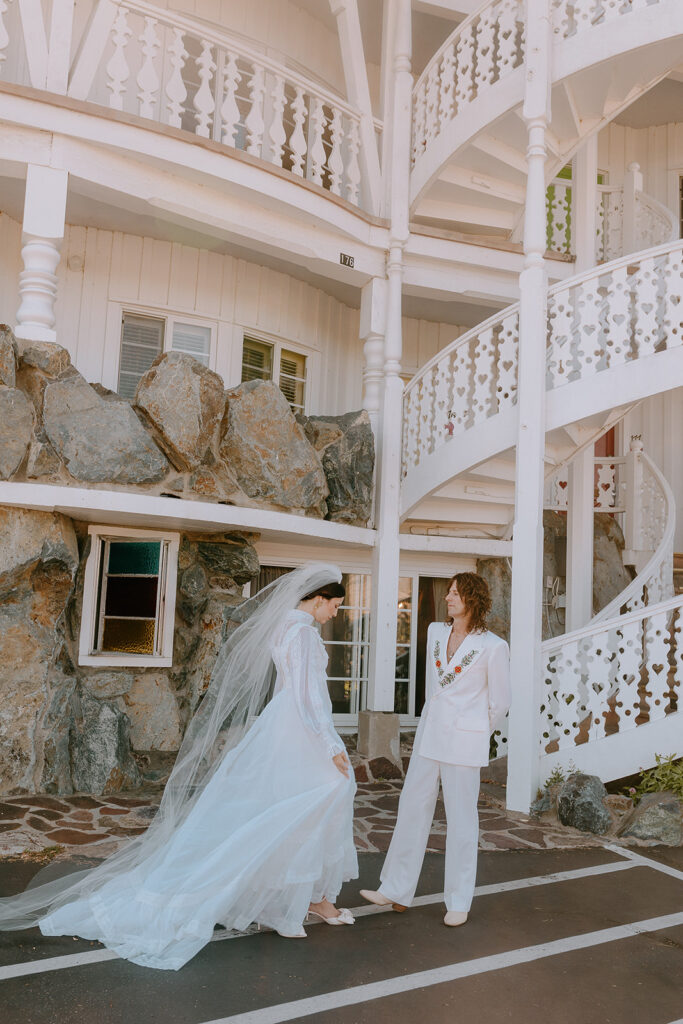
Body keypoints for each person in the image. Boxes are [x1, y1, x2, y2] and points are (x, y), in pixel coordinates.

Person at [0, 563, 358, 968]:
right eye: (335, 607)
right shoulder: (305, 634)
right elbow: (309, 697)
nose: (335, 615)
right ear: (319, 600)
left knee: (286, 809)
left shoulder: (284, 628)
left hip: (283, 728)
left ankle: (304, 900)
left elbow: (287, 692)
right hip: (304, 731)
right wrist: (330, 745)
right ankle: (305, 902)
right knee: (324, 798)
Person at [360, 572, 510, 927]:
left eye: (456, 593)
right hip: (430, 735)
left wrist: (473, 731)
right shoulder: (435, 633)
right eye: (449, 592)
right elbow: (433, 686)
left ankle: (458, 900)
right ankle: (395, 889)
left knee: (461, 821)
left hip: (464, 742)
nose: (448, 598)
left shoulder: (493, 646)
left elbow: (499, 703)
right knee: (411, 808)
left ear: (472, 598)